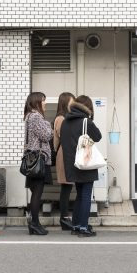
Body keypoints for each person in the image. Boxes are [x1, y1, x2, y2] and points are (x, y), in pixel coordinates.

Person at [60, 95, 102, 237]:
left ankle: (76, 225)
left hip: (72, 164)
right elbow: (98, 136)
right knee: (85, 195)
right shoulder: (86, 121)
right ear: (88, 108)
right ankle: (83, 228)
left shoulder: (65, 121)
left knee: (79, 195)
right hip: (85, 163)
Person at [23, 92, 54, 236]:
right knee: (37, 193)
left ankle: (34, 223)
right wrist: (49, 125)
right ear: (37, 102)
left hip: (32, 159)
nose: (45, 103)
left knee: (35, 192)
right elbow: (47, 135)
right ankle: (34, 224)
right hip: (38, 160)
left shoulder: (30, 116)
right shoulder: (36, 117)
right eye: (43, 101)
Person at [53, 92, 76, 231]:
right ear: (65, 102)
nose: (73, 104)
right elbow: (62, 138)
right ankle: (64, 218)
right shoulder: (61, 119)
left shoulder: (64, 118)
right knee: (66, 188)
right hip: (65, 154)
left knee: (67, 187)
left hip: (66, 153)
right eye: (72, 101)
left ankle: (65, 218)